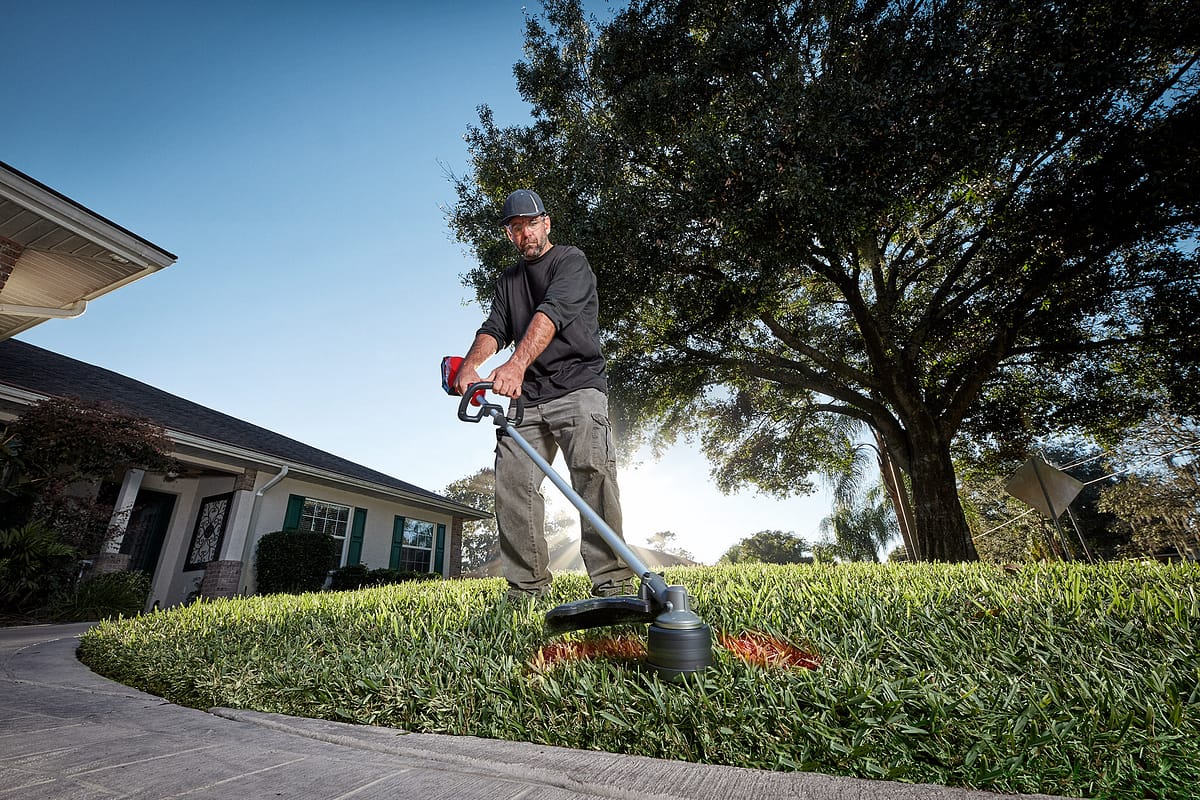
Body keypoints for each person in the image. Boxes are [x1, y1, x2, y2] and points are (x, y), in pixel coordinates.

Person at [454, 189, 635, 601]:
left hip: (577, 386)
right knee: (512, 484)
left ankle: (612, 584)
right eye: (515, 228)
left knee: (593, 477)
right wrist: (470, 366)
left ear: (546, 223)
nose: (525, 234)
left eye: (531, 224)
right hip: (526, 399)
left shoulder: (570, 261)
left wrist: (515, 365)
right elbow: (494, 327)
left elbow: (549, 314)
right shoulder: (508, 280)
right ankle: (527, 591)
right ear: (508, 234)